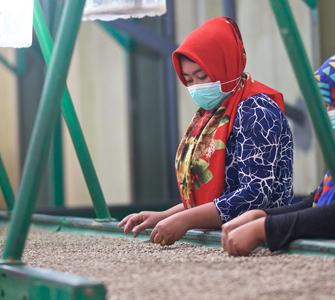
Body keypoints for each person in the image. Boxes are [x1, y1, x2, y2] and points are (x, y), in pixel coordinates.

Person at [118, 17, 294, 245]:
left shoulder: (256, 110)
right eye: (189, 80)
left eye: (202, 76)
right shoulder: (213, 114)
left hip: (263, 240)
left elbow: (255, 194)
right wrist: (164, 216)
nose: (196, 87)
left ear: (225, 63)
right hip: (229, 238)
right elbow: (216, 194)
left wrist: (185, 220)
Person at [221, 38, 335, 256]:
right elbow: (314, 202)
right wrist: (262, 216)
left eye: (331, 104)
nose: (327, 114)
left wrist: (264, 229)